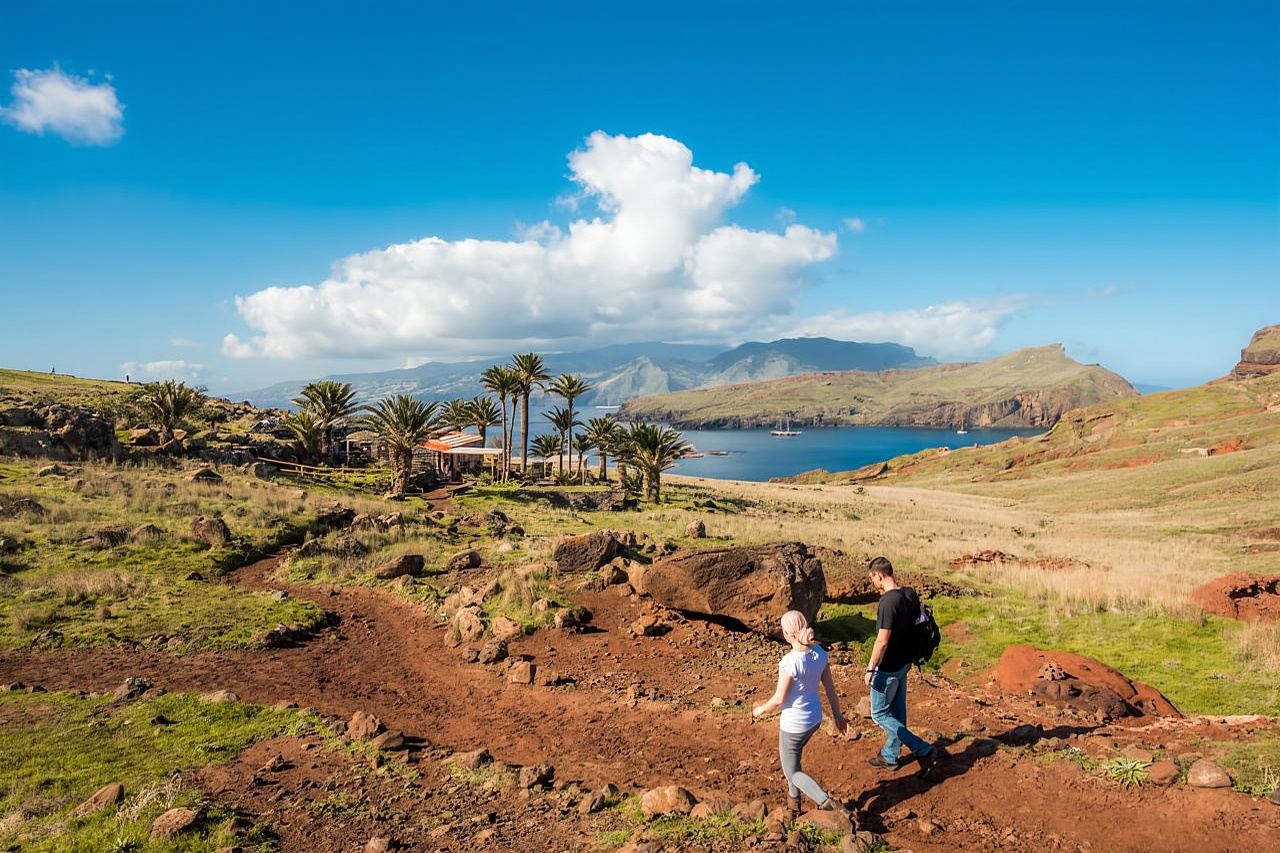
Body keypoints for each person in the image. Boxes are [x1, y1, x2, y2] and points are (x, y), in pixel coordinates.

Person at [752, 610, 853, 825]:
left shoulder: (789, 663)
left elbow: (779, 698)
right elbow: (830, 689)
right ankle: (793, 805)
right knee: (794, 763)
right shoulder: (819, 653)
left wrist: (760, 710)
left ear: (787, 634)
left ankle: (826, 803)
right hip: (814, 719)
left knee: (792, 773)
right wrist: (837, 716)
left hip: (794, 725)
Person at [864, 555, 938, 774]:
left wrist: (870, 668)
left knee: (879, 714)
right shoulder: (909, 594)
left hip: (888, 667)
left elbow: (882, 640)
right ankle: (890, 755)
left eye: (872, 578)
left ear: (879, 575)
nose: (872, 582)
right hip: (905, 662)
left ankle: (922, 748)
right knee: (897, 713)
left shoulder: (888, 602)